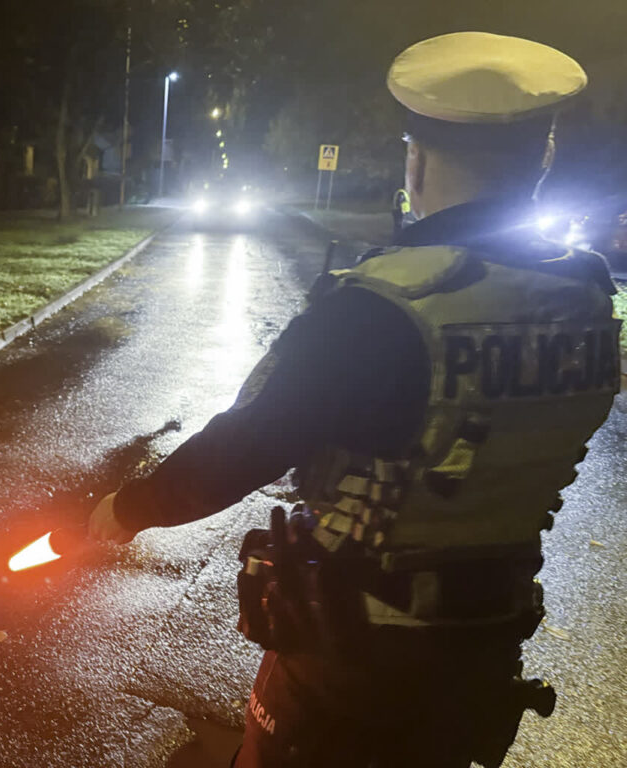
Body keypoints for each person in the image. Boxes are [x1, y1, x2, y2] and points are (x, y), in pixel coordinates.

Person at [88, 32, 620, 767]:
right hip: (486, 642)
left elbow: (248, 442)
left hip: (352, 655)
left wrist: (127, 511)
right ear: (544, 158)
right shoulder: (588, 295)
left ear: (417, 159)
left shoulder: (386, 307)